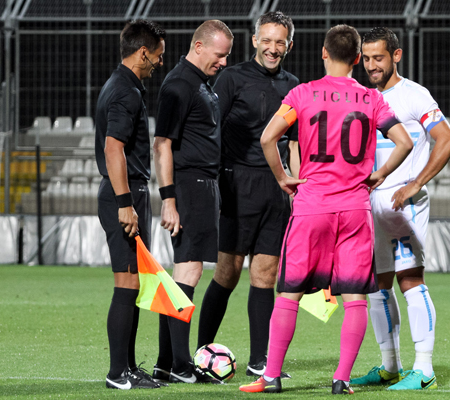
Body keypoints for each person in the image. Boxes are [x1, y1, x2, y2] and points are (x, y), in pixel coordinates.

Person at [239, 24, 413, 395]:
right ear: (357, 58)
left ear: (323, 53)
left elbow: (268, 137)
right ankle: (341, 379)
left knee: (289, 294)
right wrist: (380, 174)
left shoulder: (302, 94)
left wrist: (283, 177)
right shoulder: (371, 99)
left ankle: (271, 377)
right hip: (354, 209)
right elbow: (404, 142)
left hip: (311, 207)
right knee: (355, 299)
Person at [350, 27, 450, 391]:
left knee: (410, 279)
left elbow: (448, 140)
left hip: (404, 203)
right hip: (371, 204)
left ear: (396, 56)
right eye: (366, 59)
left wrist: (415, 184)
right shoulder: (364, 96)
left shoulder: (414, 95)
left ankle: (424, 369)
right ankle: (390, 366)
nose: (372, 66)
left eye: (379, 58)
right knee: (377, 285)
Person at [196, 11, 299, 379]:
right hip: (236, 185)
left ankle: (261, 361)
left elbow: (294, 144)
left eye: (279, 42)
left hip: (276, 189)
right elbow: (211, 131)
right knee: (227, 273)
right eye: (266, 40)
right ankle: (202, 352)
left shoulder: (294, 86)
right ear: (255, 40)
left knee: (265, 276)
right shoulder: (231, 78)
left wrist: (296, 187)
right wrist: (213, 182)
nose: (272, 48)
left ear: (289, 45)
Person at [150, 20, 234, 384]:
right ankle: (181, 365)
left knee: (183, 272)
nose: (224, 62)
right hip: (189, 185)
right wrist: (168, 199)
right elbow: (161, 144)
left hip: (201, 185)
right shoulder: (179, 85)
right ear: (198, 47)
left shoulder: (199, 83)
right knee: (189, 270)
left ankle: (165, 361)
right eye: (220, 55)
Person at [95, 19, 166, 390]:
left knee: (135, 283)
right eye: (158, 55)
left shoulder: (120, 84)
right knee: (126, 281)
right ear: (143, 52)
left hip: (130, 192)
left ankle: (127, 367)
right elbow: (113, 148)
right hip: (124, 194)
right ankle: (117, 373)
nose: (160, 62)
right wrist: (125, 203)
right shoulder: (126, 91)